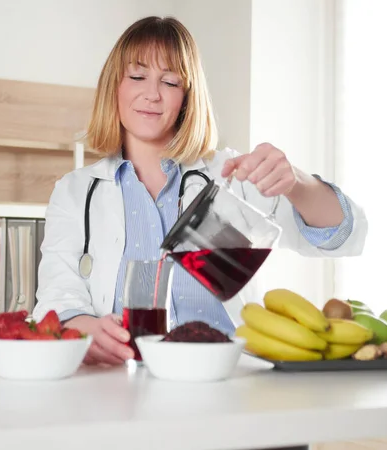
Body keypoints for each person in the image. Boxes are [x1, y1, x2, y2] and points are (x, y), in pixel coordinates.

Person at [32, 16, 368, 366]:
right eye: (137, 76)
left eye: (170, 81)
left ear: (187, 97)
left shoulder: (229, 176)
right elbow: (58, 295)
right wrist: (82, 325)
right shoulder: (75, 193)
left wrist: (296, 184)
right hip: (121, 387)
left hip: (225, 380)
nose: (152, 94)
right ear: (114, 86)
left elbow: (344, 234)